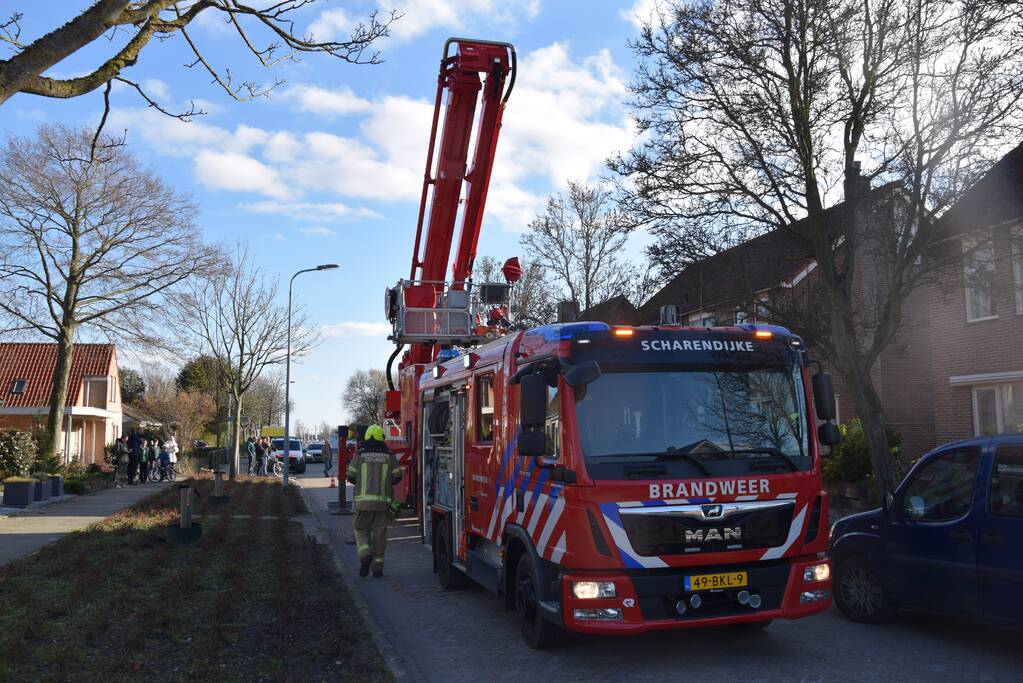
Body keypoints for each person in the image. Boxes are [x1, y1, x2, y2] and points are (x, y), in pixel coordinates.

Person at [347, 424, 402, 578]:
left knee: (361, 530)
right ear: (381, 437)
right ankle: (377, 568)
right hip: (383, 504)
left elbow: (351, 476)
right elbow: (398, 476)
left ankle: (365, 555)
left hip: (363, 504)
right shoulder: (389, 455)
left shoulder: (360, 454)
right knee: (380, 535)